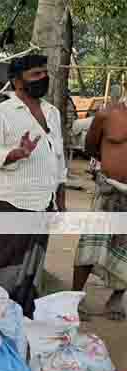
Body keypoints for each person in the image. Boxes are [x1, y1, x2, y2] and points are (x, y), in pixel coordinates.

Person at [0, 54, 66, 318]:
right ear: (17, 81)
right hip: (11, 201)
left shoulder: (52, 112)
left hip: (44, 203)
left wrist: (60, 199)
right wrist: (16, 153)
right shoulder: (0, 113)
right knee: (2, 263)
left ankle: (22, 315)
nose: (43, 79)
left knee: (32, 264)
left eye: (44, 73)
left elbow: (58, 157)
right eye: (35, 75)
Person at [73, 96, 127, 321]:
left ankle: (116, 297)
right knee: (91, 243)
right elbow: (91, 147)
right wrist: (110, 169)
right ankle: (74, 296)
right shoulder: (107, 115)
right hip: (109, 190)